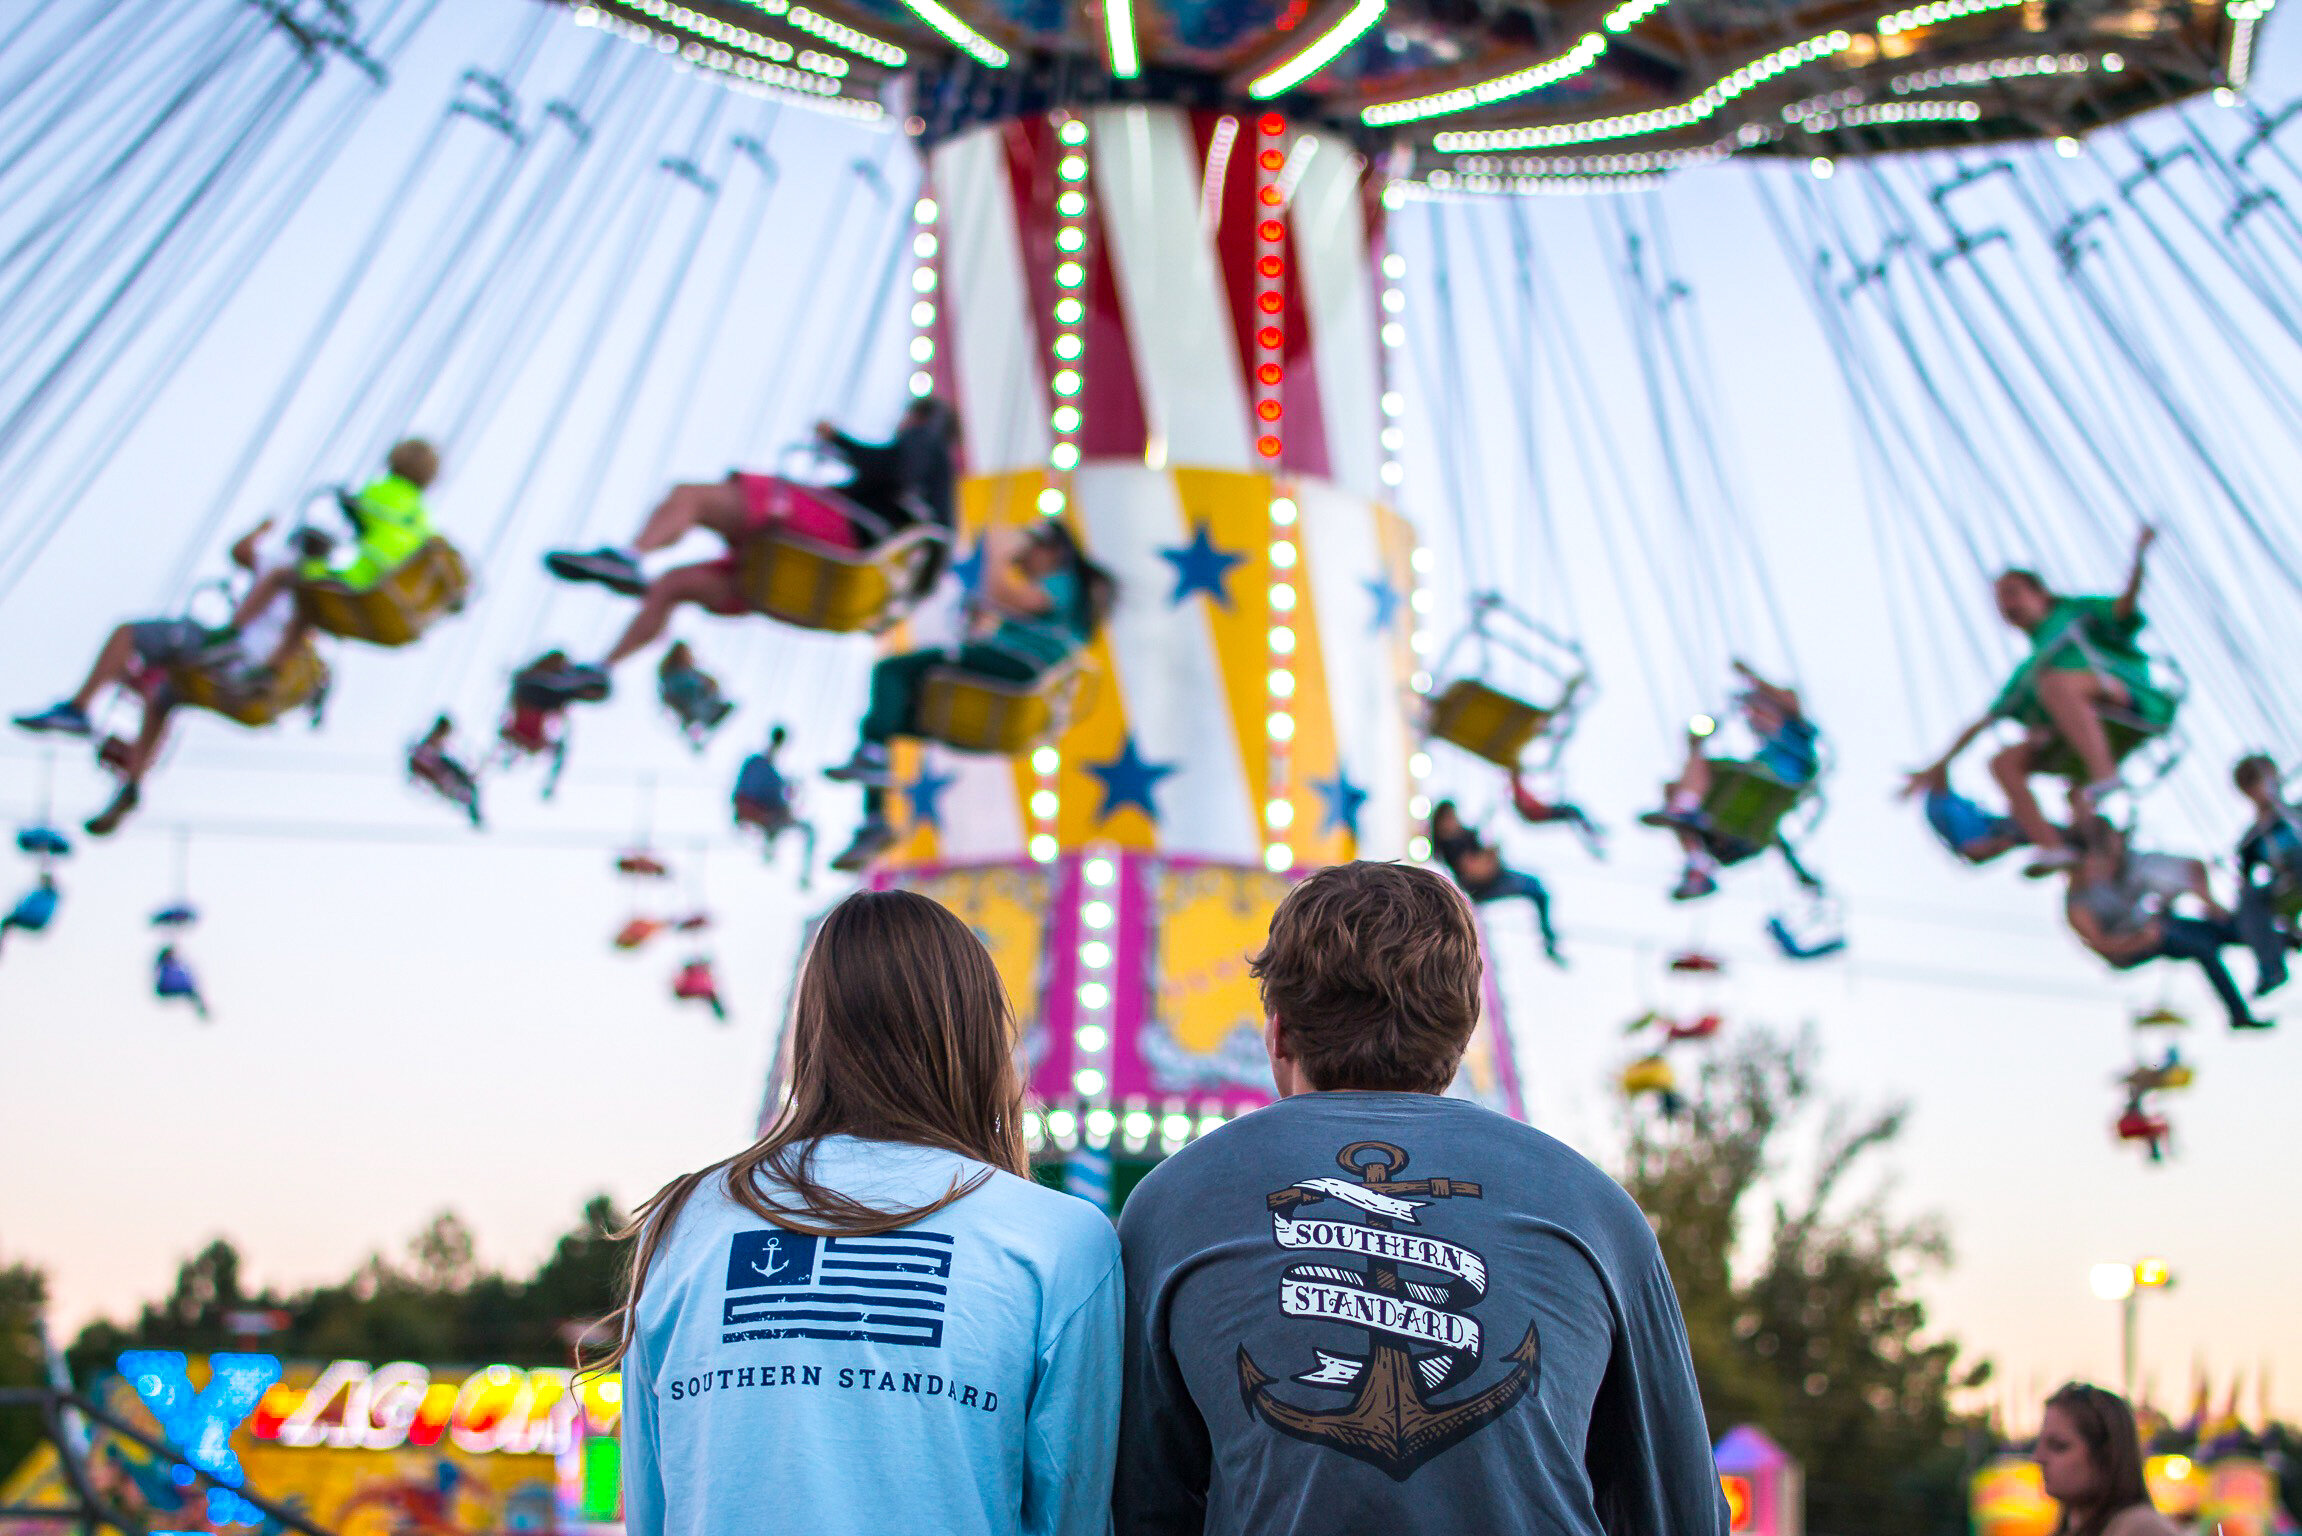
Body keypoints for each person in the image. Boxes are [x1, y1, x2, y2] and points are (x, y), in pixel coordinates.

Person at [1114, 861, 1726, 1536]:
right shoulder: (1598, 1212)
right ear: (1461, 1038)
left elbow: (1139, 1506)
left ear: (1278, 1031)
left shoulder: (1170, 1205)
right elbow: (1682, 1511)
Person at [599, 888, 1121, 1536]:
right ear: (980, 1034)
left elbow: (656, 1509)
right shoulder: (1060, 1241)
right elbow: (1072, 1515)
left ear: (814, 1031)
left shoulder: (686, 1225)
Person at [534, 400, 961, 703]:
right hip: (821, 572)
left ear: (922, 418)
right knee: (672, 584)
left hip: (842, 540)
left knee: (692, 496)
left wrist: (839, 440)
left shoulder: (924, 443)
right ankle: (602, 669)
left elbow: (894, 469)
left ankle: (629, 557)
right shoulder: (937, 498)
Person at [824, 520, 1116, 873]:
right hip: (1002, 680)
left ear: (1052, 552)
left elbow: (1002, 594)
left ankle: (872, 766)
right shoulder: (1064, 602)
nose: (1020, 563)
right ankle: (875, 815)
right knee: (884, 721)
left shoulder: (1062, 583)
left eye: (1028, 554)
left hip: (1014, 670)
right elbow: (1004, 611)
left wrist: (995, 552)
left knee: (892, 672)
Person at [14, 519, 312, 836]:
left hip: (233, 654)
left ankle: (79, 709)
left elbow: (240, 551)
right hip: (246, 669)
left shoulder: (281, 566)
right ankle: (131, 784)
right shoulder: (317, 593)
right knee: (163, 698)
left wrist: (263, 528)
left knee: (127, 634)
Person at [1907, 527, 2169, 875]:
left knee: (2056, 682)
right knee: (2002, 762)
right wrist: (1938, 763)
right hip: (2080, 733)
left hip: (2127, 702)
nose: (2007, 605)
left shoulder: (2076, 613)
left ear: (2041, 593)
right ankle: (2052, 846)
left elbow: (2124, 605)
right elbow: (1985, 720)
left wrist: (2139, 559)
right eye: (2001, 601)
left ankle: (2104, 774)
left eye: (2013, 593)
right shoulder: (2029, 669)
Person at [2062, 814, 2269, 1032]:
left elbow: (2192, 868)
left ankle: (2285, 941)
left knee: (2220, 929)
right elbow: (2103, 946)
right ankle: (2239, 1015)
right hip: (2130, 949)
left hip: (2151, 928)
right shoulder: (2079, 906)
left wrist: (2204, 899)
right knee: (2202, 946)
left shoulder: (2119, 868)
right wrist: (2141, 939)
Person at [1642, 660, 1822, 901]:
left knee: (1699, 766)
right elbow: (1773, 833)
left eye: (1757, 712)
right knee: (1674, 789)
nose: (1754, 720)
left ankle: (1686, 812)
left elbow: (1789, 698)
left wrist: (1751, 676)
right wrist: (1799, 872)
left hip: (1772, 782)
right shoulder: (1763, 758)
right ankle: (1697, 861)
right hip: (1736, 828)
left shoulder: (1794, 731)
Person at [2035, 1383, 2184, 1536]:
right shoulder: (2075, 1527)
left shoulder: (2141, 1528)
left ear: (2105, 1454)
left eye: (2058, 1446)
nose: (2039, 1457)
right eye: (2040, 1443)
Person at [298, 438, 443, 591]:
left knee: (283, 575)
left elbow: (354, 513)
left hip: (356, 581)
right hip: (387, 594)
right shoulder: (423, 516)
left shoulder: (379, 489)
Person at [1429, 800, 1565, 964]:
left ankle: (1549, 940)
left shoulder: (1463, 835)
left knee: (1537, 889)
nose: (1455, 820)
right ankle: (1549, 940)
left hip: (1493, 879)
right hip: (1486, 885)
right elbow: (1474, 871)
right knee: (1535, 889)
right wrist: (1491, 855)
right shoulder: (1452, 845)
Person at [2231, 754, 2301, 997]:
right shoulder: (2252, 838)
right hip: (2288, 882)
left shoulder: (2295, 813)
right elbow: (2245, 878)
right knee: (2248, 900)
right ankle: (2271, 967)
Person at [734, 725, 815, 885]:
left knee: (808, 830)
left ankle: (804, 875)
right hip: (757, 816)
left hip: (774, 817)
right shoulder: (757, 764)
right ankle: (769, 848)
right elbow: (742, 798)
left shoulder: (775, 774)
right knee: (784, 826)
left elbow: (783, 801)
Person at [1909, 765, 2031, 865]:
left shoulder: (1944, 799)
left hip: (1993, 830)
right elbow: (1971, 852)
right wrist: (2000, 843)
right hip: (1990, 835)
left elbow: (1941, 768)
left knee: (2030, 824)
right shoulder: (1936, 806)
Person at [657, 641, 735, 749]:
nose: (690, 656)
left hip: (701, 710)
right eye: (687, 654)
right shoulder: (675, 676)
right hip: (695, 708)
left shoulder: (689, 673)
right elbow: (691, 689)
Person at [1509, 772, 1604, 857]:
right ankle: (1591, 834)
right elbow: (1528, 808)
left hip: (1540, 812)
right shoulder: (1517, 792)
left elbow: (1533, 803)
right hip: (1539, 814)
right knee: (1571, 812)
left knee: (1572, 811)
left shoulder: (1520, 790)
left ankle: (1592, 832)